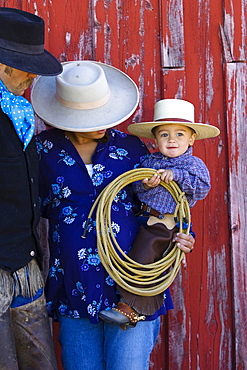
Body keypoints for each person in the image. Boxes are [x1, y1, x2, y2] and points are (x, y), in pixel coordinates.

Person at [31, 60, 195, 370]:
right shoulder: (42, 150)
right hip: (74, 284)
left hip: (134, 285)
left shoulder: (132, 148)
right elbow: (25, 204)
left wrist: (181, 236)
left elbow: (166, 201)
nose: (102, 122)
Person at [99, 98, 220, 325]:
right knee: (129, 251)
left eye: (180, 134)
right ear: (155, 139)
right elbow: (135, 188)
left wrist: (177, 177)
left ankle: (129, 307)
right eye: (164, 135)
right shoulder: (149, 161)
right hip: (142, 218)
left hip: (164, 222)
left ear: (192, 138)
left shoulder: (192, 165)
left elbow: (202, 188)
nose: (172, 140)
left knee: (143, 256)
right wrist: (145, 184)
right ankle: (124, 300)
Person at [0, 7, 62, 370]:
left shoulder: (19, 114)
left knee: (39, 361)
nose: (31, 77)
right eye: (25, 66)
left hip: (26, 265)